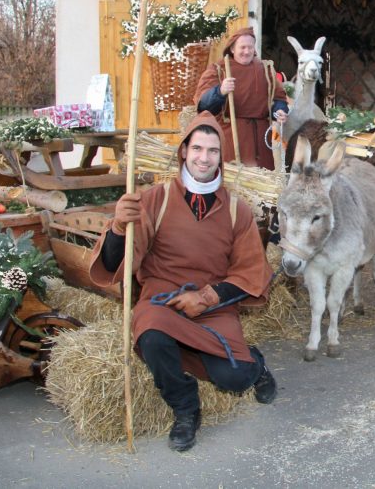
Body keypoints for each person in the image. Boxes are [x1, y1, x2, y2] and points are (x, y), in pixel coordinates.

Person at [88, 112, 277, 452]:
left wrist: (206, 297)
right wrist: (117, 228)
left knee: (234, 379)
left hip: (212, 307)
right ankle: (185, 406)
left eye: (213, 151)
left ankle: (255, 365)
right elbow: (119, 263)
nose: (204, 158)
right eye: (198, 149)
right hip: (164, 303)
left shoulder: (238, 210)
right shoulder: (153, 201)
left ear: (221, 157)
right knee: (151, 333)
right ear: (184, 152)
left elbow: (251, 272)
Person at [194, 26, 289, 169]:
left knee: (263, 182)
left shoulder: (265, 69)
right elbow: (203, 106)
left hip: (261, 139)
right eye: (242, 47)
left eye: (250, 47)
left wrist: (280, 110)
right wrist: (220, 91)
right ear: (232, 48)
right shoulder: (219, 69)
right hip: (231, 138)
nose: (247, 51)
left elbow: (278, 97)